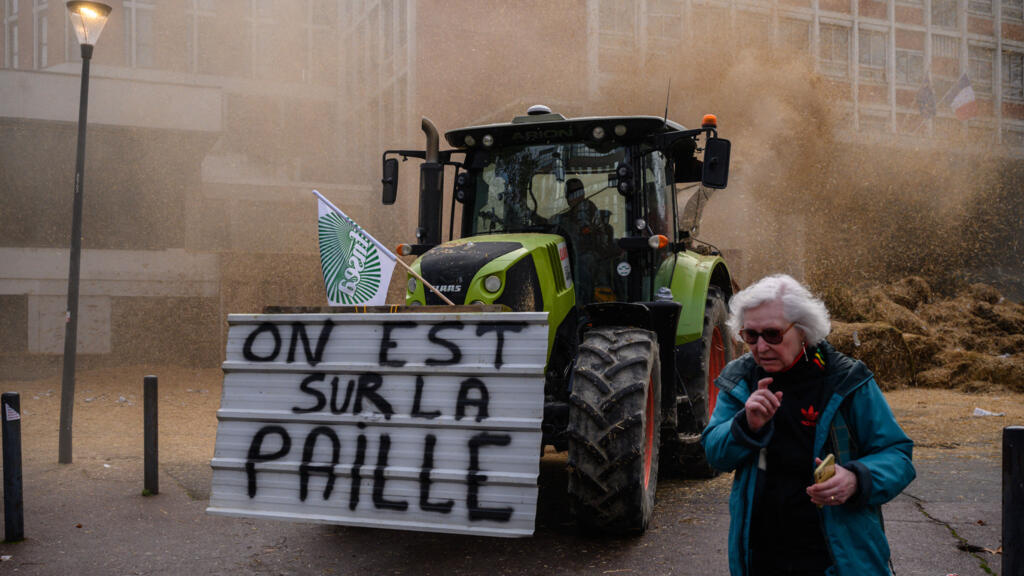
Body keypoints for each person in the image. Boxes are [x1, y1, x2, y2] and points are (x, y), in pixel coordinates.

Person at [701, 274, 915, 576]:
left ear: (803, 330)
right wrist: (745, 426)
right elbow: (714, 453)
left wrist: (856, 479)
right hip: (762, 557)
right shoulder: (740, 380)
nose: (761, 347)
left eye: (773, 334)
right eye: (750, 336)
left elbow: (897, 455)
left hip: (837, 558)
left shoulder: (846, 380)